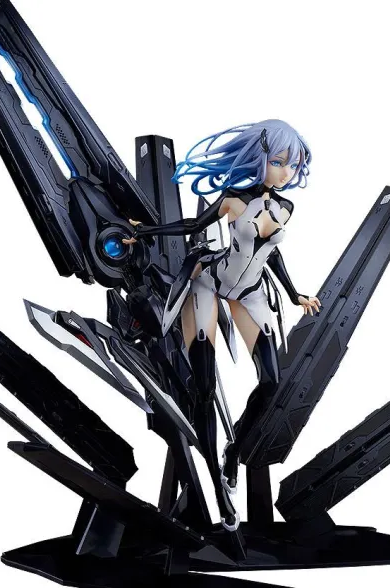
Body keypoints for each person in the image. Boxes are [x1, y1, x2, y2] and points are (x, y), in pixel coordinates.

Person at [123, 119, 321, 531]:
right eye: (279, 162)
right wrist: (145, 232)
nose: (286, 172)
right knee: (204, 388)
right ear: (260, 158)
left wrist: (294, 295)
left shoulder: (286, 208)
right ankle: (216, 487)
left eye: (293, 165)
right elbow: (192, 227)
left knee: (271, 382)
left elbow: (271, 254)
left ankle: (233, 453)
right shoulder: (234, 199)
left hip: (250, 293)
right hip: (210, 284)